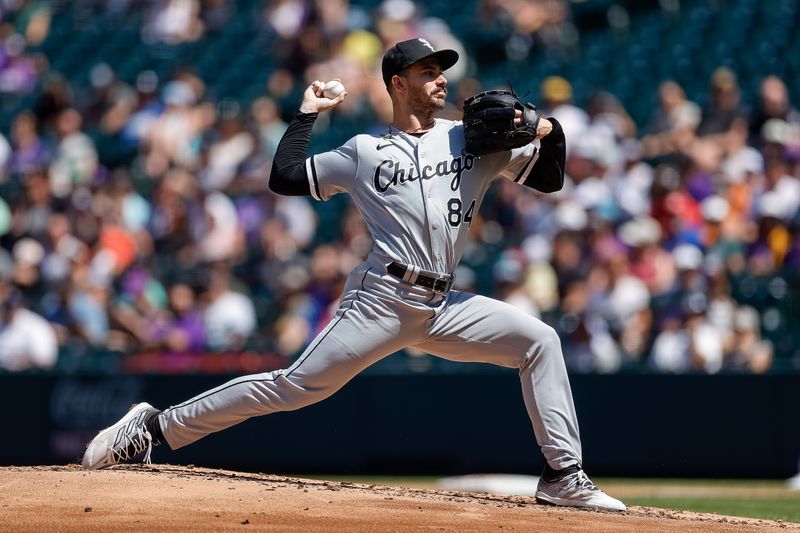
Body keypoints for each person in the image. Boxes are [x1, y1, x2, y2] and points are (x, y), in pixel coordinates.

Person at [82, 38, 625, 512]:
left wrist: (548, 131)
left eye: (442, 72)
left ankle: (563, 477)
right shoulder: (364, 152)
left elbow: (550, 180)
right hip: (381, 300)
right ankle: (151, 428)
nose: (441, 81)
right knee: (291, 388)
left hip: (444, 305)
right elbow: (286, 177)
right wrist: (306, 113)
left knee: (540, 341)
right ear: (398, 82)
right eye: (428, 72)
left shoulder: (470, 139)